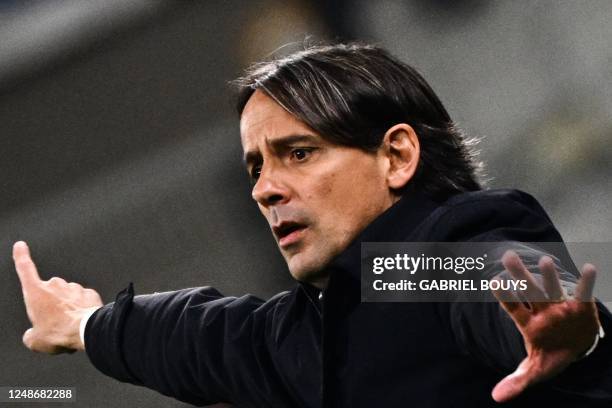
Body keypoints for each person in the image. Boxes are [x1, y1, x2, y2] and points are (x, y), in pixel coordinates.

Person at [13, 43, 612, 407]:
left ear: (397, 156)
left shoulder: (430, 256)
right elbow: (194, 338)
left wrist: (559, 326)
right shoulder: (311, 333)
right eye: (256, 165)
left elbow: (478, 273)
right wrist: (84, 324)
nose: (264, 188)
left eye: (298, 153)